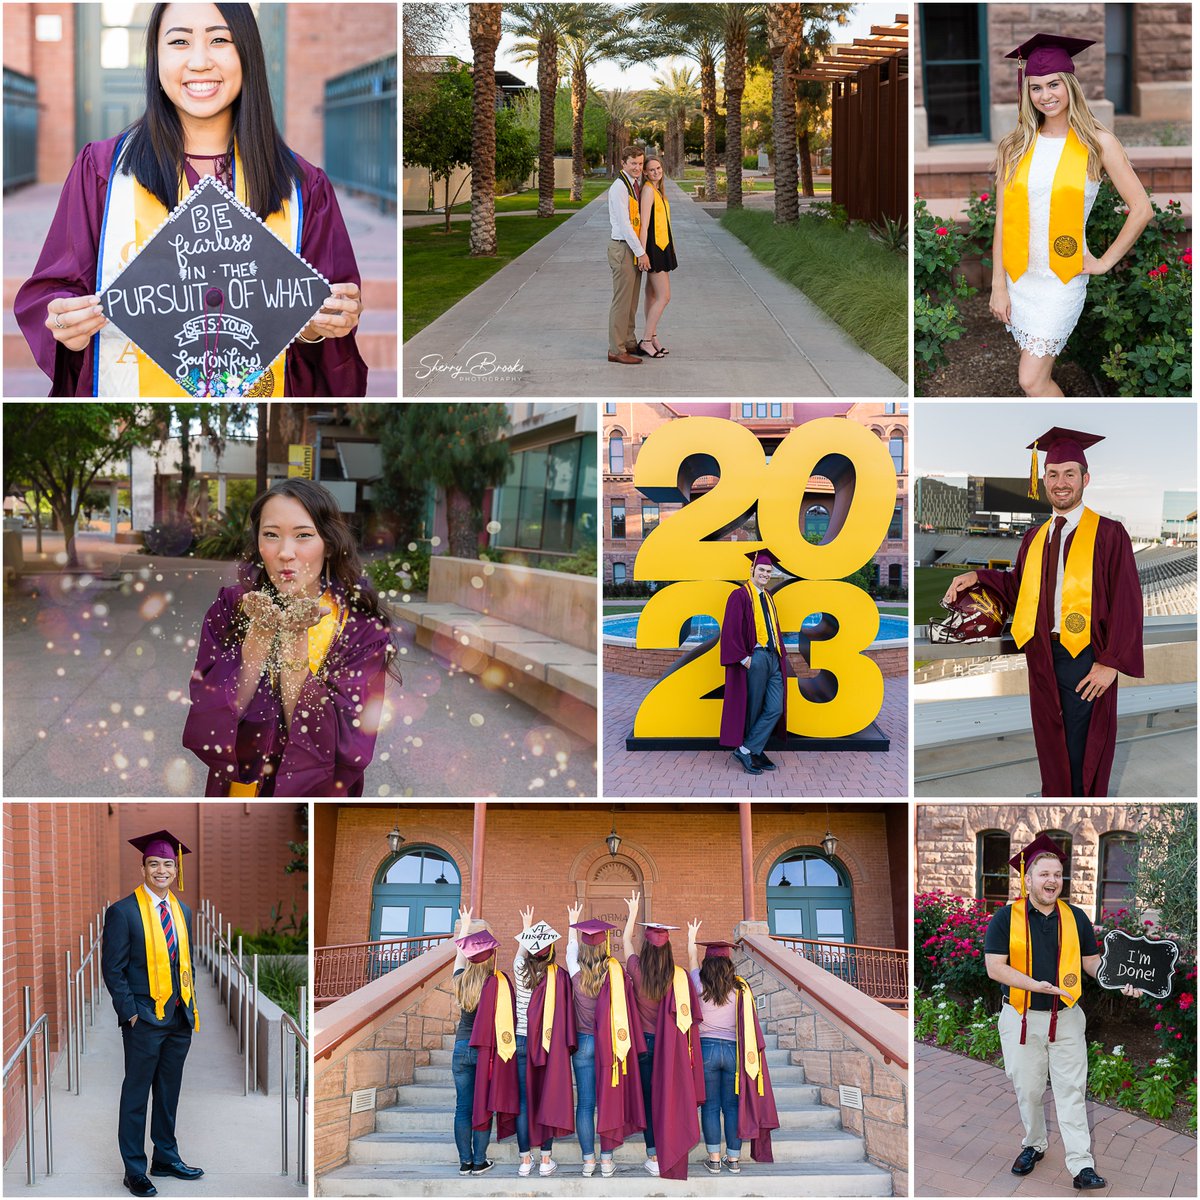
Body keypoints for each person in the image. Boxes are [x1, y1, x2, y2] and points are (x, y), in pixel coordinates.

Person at [14, 2, 367, 396]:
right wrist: (66, 325)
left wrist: (320, 326)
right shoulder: (102, 171)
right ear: (156, 58)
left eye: (220, 40)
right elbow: (53, 292)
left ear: (247, 53)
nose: (199, 61)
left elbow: (326, 329)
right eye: (179, 41)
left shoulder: (301, 186)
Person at [942, 427, 1144, 796]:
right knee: (1050, 745)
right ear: (1043, 480)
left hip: (1086, 657)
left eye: (1070, 473)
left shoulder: (1109, 533)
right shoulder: (1036, 537)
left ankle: (1081, 804)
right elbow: (1019, 589)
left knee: (1084, 750)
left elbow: (1128, 602)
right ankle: (1055, 795)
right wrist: (977, 575)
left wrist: (1111, 662)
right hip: (1041, 655)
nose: (1060, 482)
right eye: (1053, 474)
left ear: (1086, 479)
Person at [184, 478, 400, 796]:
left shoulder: (358, 628)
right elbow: (209, 714)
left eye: (303, 535)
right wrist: (255, 646)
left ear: (328, 541)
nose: (286, 553)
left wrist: (294, 648)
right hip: (238, 787)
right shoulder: (234, 606)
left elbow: (344, 749)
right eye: (271, 534)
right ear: (258, 542)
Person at [989, 33, 1152, 397]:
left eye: (1053, 84)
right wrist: (998, 284)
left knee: (1030, 379)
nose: (1045, 95)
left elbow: (1141, 209)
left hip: (1061, 279)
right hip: (1020, 275)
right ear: (1025, 92)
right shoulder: (1016, 146)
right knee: (1038, 377)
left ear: (1070, 85)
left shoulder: (1097, 142)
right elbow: (1004, 218)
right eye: (1035, 88)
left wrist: (1105, 261)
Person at [983, 834, 1145, 1190]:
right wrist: (1032, 985)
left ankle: (1081, 1165)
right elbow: (995, 967)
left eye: (1057, 874)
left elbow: (1091, 963)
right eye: (1044, 874)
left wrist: (1122, 980)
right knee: (1028, 1090)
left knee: (1071, 1090)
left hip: (1067, 1018)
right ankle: (1034, 1144)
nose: (1052, 880)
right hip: (1022, 1017)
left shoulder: (1075, 918)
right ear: (1028, 879)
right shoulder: (1005, 918)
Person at [101, 830, 203, 1198]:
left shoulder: (183, 911)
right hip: (144, 1018)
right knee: (136, 1094)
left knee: (169, 1091)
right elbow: (113, 969)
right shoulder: (123, 911)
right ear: (143, 867)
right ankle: (134, 1169)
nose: (162, 870)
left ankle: (165, 1156)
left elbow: (183, 964)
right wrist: (130, 1013)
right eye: (155, 863)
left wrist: (189, 1006)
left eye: (168, 864)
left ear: (177, 869)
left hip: (179, 1018)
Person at [687, 928, 780, 1173]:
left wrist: (690, 938)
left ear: (707, 961)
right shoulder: (740, 987)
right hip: (733, 1051)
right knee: (731, 1107)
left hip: (706, 1049)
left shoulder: (697, 982)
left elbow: (691, 961)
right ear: (729, 962)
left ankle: (714, 1159)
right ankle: (734, 1159)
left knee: (710, 1107)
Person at [624, 906, 705, 1180]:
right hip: (668, 1049)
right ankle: (668, 1146)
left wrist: (633, 914)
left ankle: (653, 1154)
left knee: (648, 1100)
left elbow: (625, 943)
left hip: (643, 1047)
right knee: (667, 1099)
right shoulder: (677, 976)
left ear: (645, 948)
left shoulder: (636, 969)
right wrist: (691, 940)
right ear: (668, 950)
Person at [566, 911, 647, 1176]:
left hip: (582, 1043)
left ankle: (588, 1161)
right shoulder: (614, 972)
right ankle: (607, 1160)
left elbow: (570, 949)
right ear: (603, 945)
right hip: (608, 1046)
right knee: (607, 1102)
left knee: (586, 1104)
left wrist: (573, 921)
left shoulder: (575, 970)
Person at [450, 909, 518, 1176]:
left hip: (460, 1049)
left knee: (462, 1106)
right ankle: (480, 1160)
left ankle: (464, 1162)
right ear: (490, 960)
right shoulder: (496, 983)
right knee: (482, 1106)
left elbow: (459, 958)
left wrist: (465, 928)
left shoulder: (460, 980)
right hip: (485, 1052)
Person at [720, 549, 791, 775]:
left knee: (775, 707)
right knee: (753, 709)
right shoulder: (739, 596)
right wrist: (744, 659)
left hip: (773, 657)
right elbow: (730, 631)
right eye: (761, 569)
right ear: (751, 569)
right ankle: (754, 752)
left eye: (768, 571)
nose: (765, 574)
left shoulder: (768, 597)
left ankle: (747, 749)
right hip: (756, 658)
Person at [513, 908, 567, 1177]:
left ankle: (525, 1162)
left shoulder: (519, 969)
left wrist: (527, 927)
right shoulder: (558, 976)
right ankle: (546, 1161)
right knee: (547, 1099)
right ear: (551, 952)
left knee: (524, 1101)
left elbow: (521, 953)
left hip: (521, 1041)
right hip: (547, 1044)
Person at [606, 145, 650, 365]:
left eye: (640, 163)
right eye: (633, 163)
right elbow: (624, 225)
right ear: (623, 163)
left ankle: (629, 341)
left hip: (630, 248)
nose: (637, 168)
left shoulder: (634, 184)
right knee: (622, 302)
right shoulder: (619, 188)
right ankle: (616, 349)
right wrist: (641, 253)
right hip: (623, 247)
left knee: (632, 300)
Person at [635, 155, 677, 358]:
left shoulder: (658, 191)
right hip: (653, 249)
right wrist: (642, 253)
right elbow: (643, 224)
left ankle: (653, 337)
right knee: (664, 296)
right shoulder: (648, 191)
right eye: (651, 170)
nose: (656, 172)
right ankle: (645, 340)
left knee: (652, 295)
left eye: (658, 168)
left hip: (663, 246)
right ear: (645, 173)